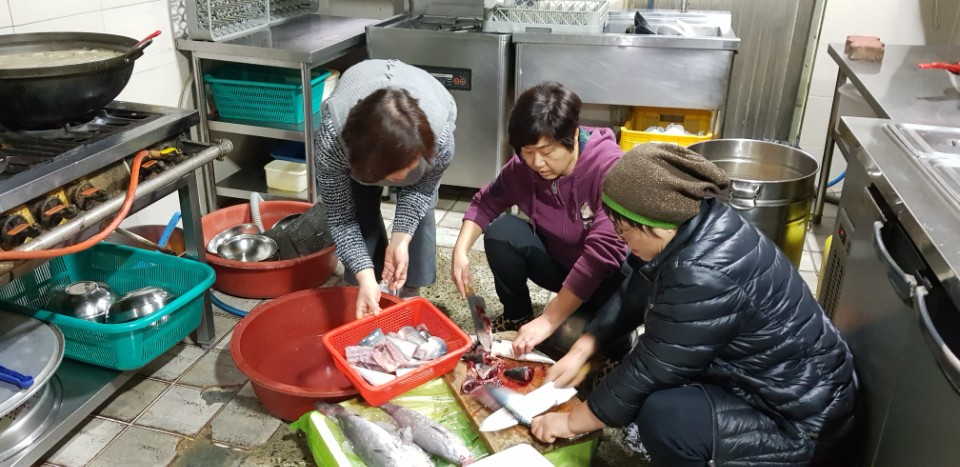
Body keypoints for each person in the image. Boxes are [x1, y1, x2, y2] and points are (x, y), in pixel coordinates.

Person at [532, 143, 858, 466]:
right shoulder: (694, 222)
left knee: (663, 416)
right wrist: (583, 349)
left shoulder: (702, 274)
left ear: (657, 224)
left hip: (801, 423)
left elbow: (651, 366)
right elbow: (638, 286)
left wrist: (570, 422)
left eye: (624, 229)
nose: (621, 239)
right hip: (775, 385)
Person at [450, 81, 628, 359]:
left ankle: (617, 341)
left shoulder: (609, 167)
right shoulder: (523, 167)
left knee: (571, 338)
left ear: (573, 135)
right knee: (501, 232)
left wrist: (549, 319)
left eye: (547, 152)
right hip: (561, 267)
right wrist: (460, 252)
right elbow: (485, 202)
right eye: (528, 151)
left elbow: (603, 253)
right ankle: (517, 316)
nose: (537, 163)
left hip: (606, 278)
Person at [316, 59, 457, 318]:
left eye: (406, 169)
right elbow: (341, 218)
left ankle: (411, 290)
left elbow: (421, 191)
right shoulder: (332, 142)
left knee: (420, 213)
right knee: (360, 211)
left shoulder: (440, 141)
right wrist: (365, 276)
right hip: (355, 140)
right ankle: (366, 285)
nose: (398, 180)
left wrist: (401, 240)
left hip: (427, 100)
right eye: (389, 175)